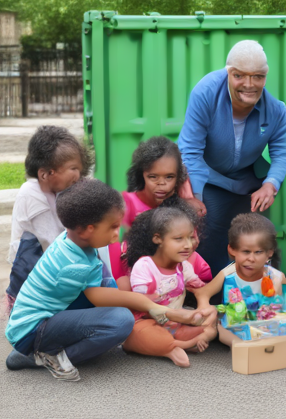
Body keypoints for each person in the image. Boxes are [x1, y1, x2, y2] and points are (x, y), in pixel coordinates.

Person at [5, 179, 209, 381]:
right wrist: (154, 307)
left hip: (40, 319)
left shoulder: (72, 240)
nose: (115, 235)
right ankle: (51, 357)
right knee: (120, 321)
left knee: (111, 290)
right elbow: (101, 298)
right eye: (112, 227)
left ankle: (39, 349)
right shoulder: (72, 265)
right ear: (86, 230)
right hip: (32, 329)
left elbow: (104, 287)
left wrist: (148, 305)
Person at [179, 40, 286, 277]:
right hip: (208, 176)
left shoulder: (277, 111)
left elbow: (281, 152)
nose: (249, 85)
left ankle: (255, 294)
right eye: (239, 75)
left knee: (252, 237)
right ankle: (208, 294)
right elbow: (190, 149)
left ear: (266, 76)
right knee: (208, 231)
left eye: (258, 77)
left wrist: (271, 184)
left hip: (246, 179)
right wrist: (193, 197)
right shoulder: (206, 93)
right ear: (228, 72)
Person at [108, 136, 211, 289]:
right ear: (141, 174)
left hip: (175, 268)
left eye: (169, 177)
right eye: (152, 177)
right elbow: (115, 249)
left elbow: (190, 245)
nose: (161, 184)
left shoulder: (180, 208)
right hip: (136, 271)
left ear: (179, 177)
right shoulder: (128, 203)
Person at [122, 207, 217, 367]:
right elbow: (144, 308)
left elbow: (201, 289)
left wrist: (205, 309)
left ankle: (177, 343)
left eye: (190, 238)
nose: (187, 245)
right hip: (147, 322)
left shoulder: (183, 267)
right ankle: (177, 347)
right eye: (179, 239)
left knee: (213, 322)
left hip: (175, 326)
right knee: (140, 335)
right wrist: (177, 316)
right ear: (158, 239)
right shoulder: (145, 265)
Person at [195, 213, 284, 347]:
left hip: (262, 323)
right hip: (232, 323)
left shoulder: (274, 276)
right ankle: (241, 346)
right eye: (246, 252)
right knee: (214, 324)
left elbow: (275, 308)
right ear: (232, 250)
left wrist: (277, 284)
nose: (251, 259)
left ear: (269, 253)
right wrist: (204, 309)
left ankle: (256, 345)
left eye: (258, 252)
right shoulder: (228, 273)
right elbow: (202, 293)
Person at [8, 125, 92, 264]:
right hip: (39, 273)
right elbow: (51, 244)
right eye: (72, 168)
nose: (77, 175)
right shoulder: (32, 193)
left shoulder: (60, 189)